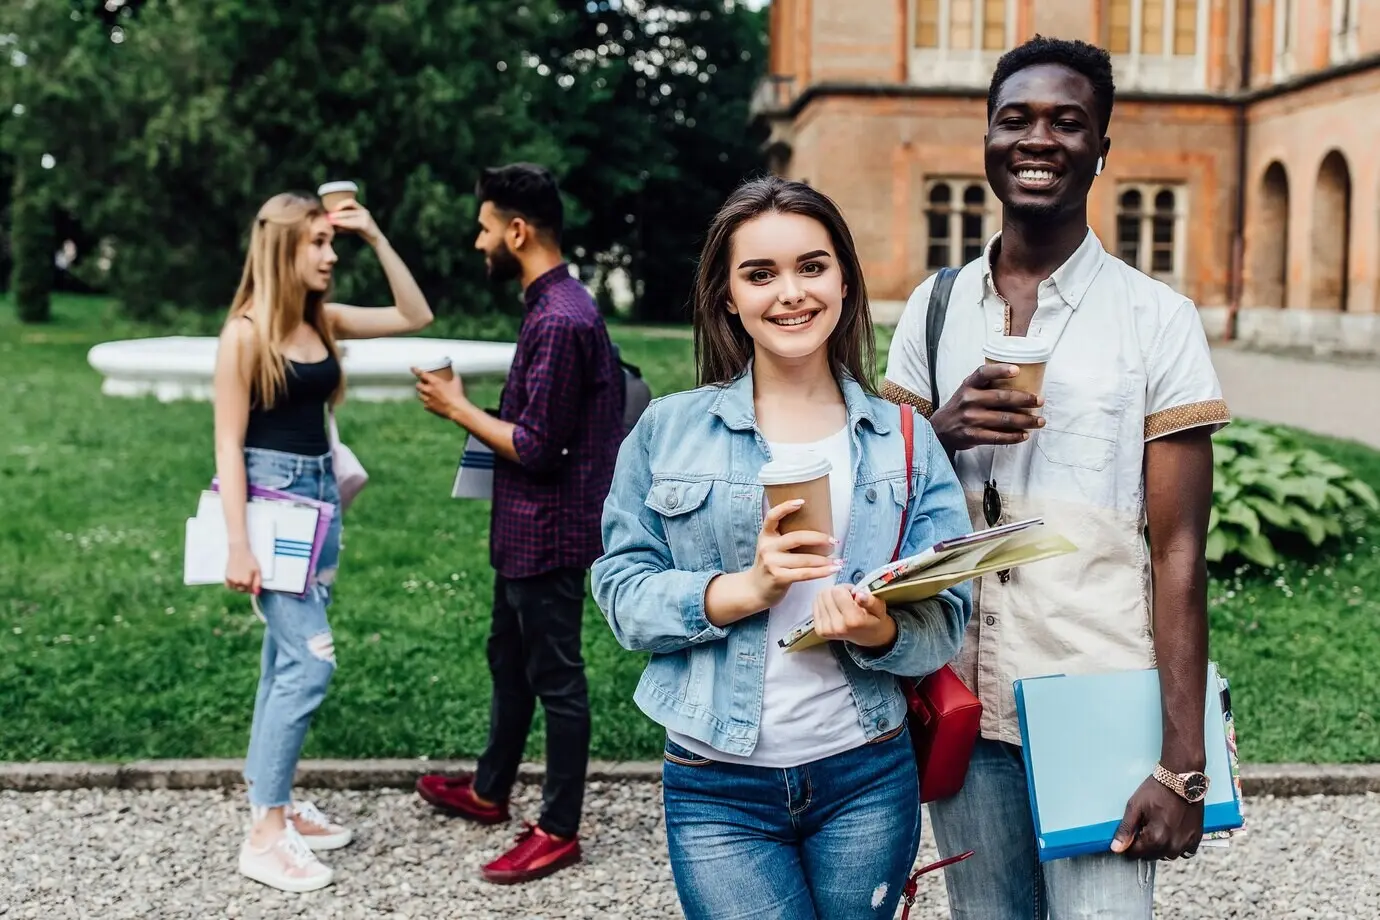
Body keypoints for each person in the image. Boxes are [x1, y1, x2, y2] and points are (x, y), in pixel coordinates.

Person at [881, 37, 1230, 919]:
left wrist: (1180, 761)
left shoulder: (1157, 320)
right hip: (959, 687)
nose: (1039, 138)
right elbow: (878, 494)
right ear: (987, 141)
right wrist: (938, 432)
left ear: (1101, 148)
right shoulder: (932, 308)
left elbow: (1180, 550)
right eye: (1016, 119)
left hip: (1097, 694)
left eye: (1067, 122)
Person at [591, 176, 974, 920]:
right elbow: (621, 594)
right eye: (759, 274)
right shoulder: (667, 431)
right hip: (717, 784)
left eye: (811, 266)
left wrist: (879, 630)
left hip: (866, 773)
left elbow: (947, 616)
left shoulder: (906, 439)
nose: (790, 293)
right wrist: (746, 589)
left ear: (843, 280)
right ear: (727, 296)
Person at [214, 191, 434, 891]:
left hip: (318, 510)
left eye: (330, 241)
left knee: (283, 660)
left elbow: (414, 314)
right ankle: (265, 833)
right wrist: (237, 546)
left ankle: (269, 800)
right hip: (270, 515)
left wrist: (372, 231)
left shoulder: (322, 321)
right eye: (317, 242)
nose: (329, 254)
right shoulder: (245, 334)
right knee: (311, 663)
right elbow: (227, 443)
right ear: (283, 248)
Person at [412, 164, 625, 884]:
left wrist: (455, 407)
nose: (478, 242)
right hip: (521, 534)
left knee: (557, 680)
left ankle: (559, 828)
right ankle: (489, 790)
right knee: (508, 662)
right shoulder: (548, 306)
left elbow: (536, 445)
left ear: (517, 230)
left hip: (551, 535)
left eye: (483, 227)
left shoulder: (563, 318)